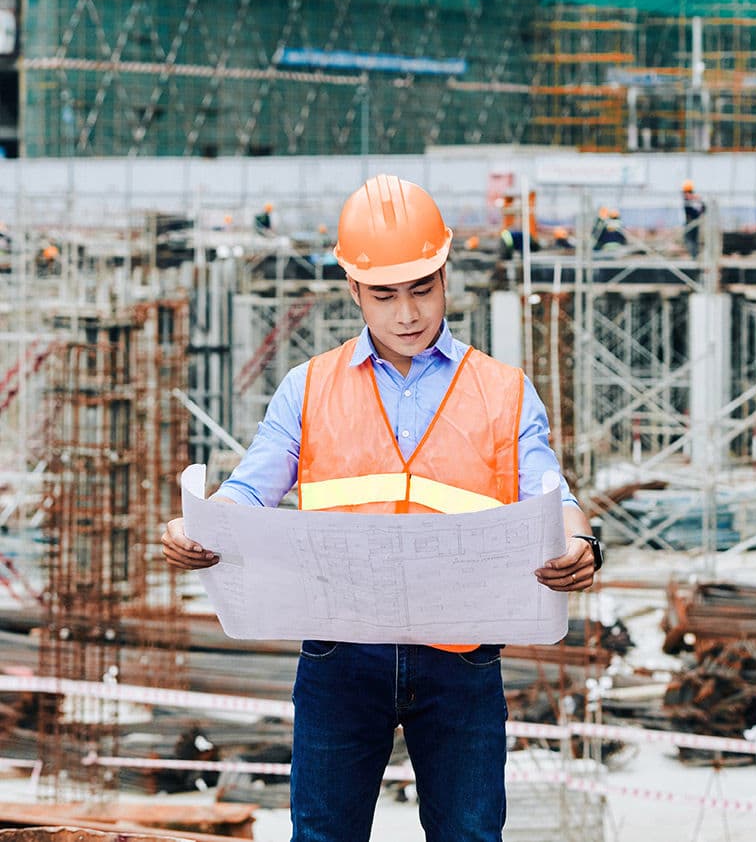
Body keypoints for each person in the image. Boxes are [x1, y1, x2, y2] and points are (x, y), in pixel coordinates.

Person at [161, 174, 601, 842]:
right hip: (342, 655)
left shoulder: (504, 392)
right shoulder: (306, 390)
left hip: (461, 657)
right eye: (386, 294)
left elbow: (551, 492)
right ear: (353, 290)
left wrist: (579, 542)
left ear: (445, 275)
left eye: (422, 288)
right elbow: (249, 489)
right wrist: (198, 527)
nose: (407, 314)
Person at [682, 180, 705, 258]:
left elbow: (702, 209)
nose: (684, 194)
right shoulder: (688, 201)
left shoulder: (693, 201)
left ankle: (694, 255)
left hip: (693, 223)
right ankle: (694, 255)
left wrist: (699, 201)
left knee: (692, 240)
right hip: (689, 223)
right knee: (688, 240)